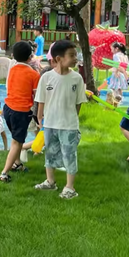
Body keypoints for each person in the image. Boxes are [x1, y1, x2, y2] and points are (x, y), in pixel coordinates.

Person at [34, 40, 87, 199]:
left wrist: (72, 117)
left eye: (75, 55)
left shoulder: (76, 78)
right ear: (58, 59)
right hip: (50, 123)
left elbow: (78, 103)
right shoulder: (47, 77)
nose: (75, 58)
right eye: (71, 55)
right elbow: (41, 99)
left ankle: (69, 187)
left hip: (68, 125)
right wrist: (40, 117)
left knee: (70, 155)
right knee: (50, 153)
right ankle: (50, 182)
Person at [0, 41, 40, 183]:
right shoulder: (34, 74)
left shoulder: (12, 70)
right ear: (31, 56)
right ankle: (4, 172)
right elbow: (37, 97)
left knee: (16, 139)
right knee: (17, 142)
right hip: (21, 112)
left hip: (8, 109)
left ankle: (17, 164)